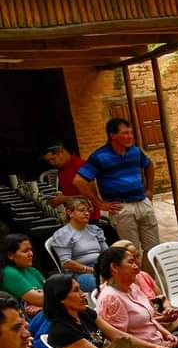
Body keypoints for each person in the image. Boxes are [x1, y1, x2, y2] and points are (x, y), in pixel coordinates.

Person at [44, 273, 167, 348]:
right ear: (61, 298)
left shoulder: (85, 313)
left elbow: (118, 335)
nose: (83, 294)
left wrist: (156, 347)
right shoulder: (62, 331)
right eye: (76, 291)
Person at [73, 117, 161, 262]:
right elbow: (79, 180)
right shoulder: (99, 156)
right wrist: (99, 203)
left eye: (131, 133)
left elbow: (149, 165)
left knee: (153, 249)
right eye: (125, 133)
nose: (130, 136)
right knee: (130, 252)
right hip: (121, 208)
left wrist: (150, 189)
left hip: (142, 203)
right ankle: (133, 283)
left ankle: (147, 281)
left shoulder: (135, 151)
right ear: (112, 135)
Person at [44, 139, 119, 242]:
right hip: (74, 218)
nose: (51, 163)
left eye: (53, 159)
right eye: (49, 161)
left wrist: (64, 199)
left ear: (61, 152)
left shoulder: (81, 166)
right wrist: (60, 196)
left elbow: (92, 197)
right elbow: (72, 193)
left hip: (89, 219)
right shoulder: (61, 170)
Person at [111, 239, 178, 332]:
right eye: (131, 260)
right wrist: (163, 318)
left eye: (138, 256)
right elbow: (135, 324)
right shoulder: (120, 290)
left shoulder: (144, 275)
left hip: (163, 321)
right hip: (149, 330)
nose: (137, 262)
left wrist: (168, 309)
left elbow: (162, 298)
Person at [51, 198, 108, 292]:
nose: (87, 213)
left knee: (129, 276)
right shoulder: (63, 234)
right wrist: (90, 269)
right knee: (104, 285)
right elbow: (66, 263)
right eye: (82, 210)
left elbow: (106, 252)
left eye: (88, 211)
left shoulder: (94, 229)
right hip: (78, 273)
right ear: (70, 213)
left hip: (100, 266)